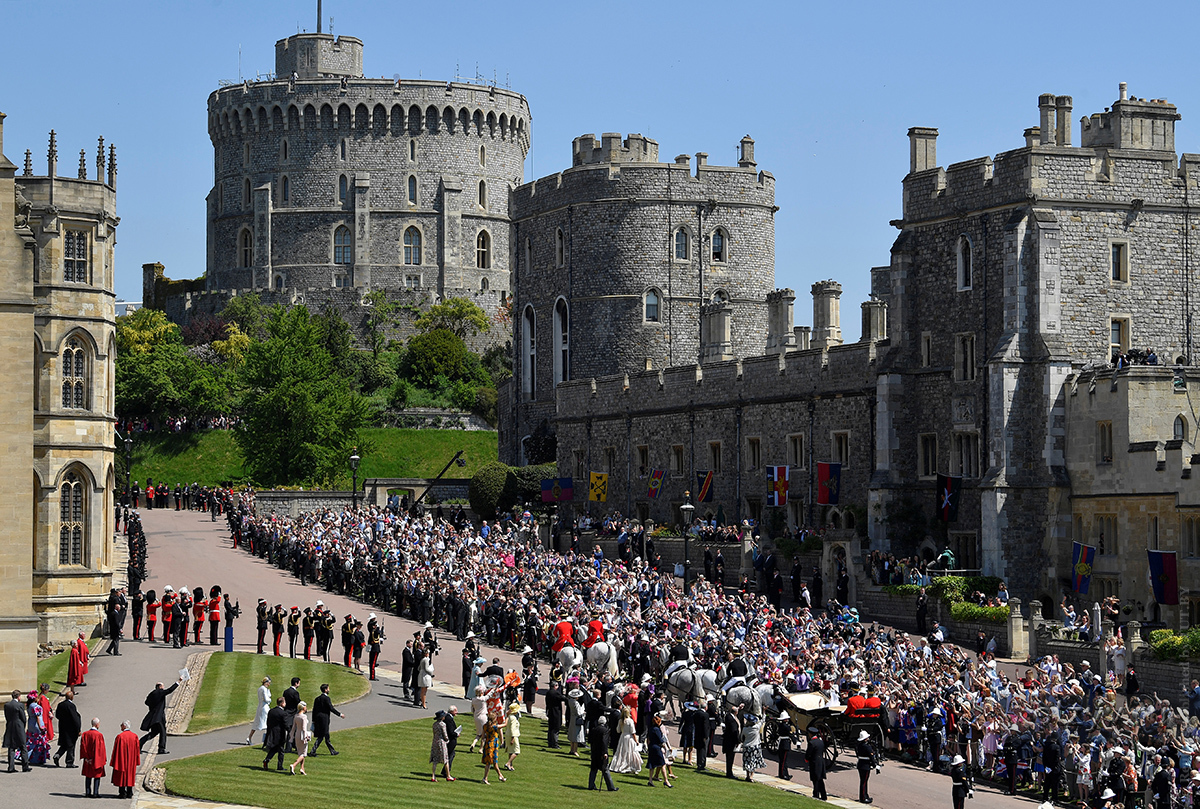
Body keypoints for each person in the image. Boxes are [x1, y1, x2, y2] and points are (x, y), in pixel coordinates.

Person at [138, 677, 181, 755]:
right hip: (159, 717)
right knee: (163, 732)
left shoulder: (151, 694)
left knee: (153, 733)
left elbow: (146, 702)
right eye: (162, 686)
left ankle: (139, 744)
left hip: (153, 717)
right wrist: (178, 681)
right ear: (160, 687)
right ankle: (161, 749)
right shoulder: (160, 692)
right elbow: (170, 690)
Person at [309, 683, 343, 756]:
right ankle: (313, 751)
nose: (329, 690)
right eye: (328, 688)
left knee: (325, 735)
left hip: (318, 718)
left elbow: (314, 710)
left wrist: (313, 720)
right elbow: (331, 708)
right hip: (324, 719)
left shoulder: (317, 699)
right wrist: (339, 714)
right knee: (323, 735)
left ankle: (331, 750)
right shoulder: (326, 699)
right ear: (325, 690)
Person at [110, 720, 141, 799]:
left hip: (122, 759)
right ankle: (130, 792)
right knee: (130, 775)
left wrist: (114, 761)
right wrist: (137, 760)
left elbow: (116, 750)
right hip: (131, 760)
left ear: (124, 726)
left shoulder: (120, 736)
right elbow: (137, 750)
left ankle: (122, 792)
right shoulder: (134, 736)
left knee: (122, 775)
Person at [588, 715, 618, 791]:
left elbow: (591, 741)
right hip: (601, 753)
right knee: (605, 770)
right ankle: (611, 787)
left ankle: (591, 785)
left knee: (593, 770)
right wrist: (605, 752)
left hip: (594, 752)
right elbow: (604, 742)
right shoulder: (605, 730)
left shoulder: (594, 729)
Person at [54, 688, 82, 767]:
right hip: (71, 729)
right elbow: (75, 719)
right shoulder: (71, 706)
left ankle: (57, 755)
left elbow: (57, 715)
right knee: (71, 745)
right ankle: (69, 762)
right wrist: (78, 730)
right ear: (71, 697)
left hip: (63, 728)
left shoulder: (60, 705)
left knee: (65, 745)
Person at [611, 704, 641, 774]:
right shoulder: (630, 721)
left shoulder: (620, 721)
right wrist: (636, 741)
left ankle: (620, 765)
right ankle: (630, 765)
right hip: (629, 737)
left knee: (621, 752)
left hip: (622, 737)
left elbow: (618, 730)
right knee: (630, 752)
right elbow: (633, 732)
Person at [80, 718, 106, 797]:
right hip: (96, 759)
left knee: (88, 775)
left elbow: (83, 747)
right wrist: (102, 759)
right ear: (97, 724)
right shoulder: (99, 735)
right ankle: (95, 792)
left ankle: (88, 792)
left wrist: (86, 757)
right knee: (97, 776)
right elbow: (100, 749)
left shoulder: (85, 734)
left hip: (88, 759)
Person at [4, 689, 29, 773]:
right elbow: (23, 717)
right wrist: (23, 726)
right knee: (23, 746)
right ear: (18, 696)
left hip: (10, 726)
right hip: (19, 726)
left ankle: (11, 767)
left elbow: (6, 716)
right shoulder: (20, 705)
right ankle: (25, 766)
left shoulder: (7, 705)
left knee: (11, 747)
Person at [262, 697, 288, 771]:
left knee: (274, 749)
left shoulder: (271, 711)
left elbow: (268, 722)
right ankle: (280, 766)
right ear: (282, 703)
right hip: (280, 734)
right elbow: (285, 724)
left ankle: (267, 760)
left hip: (272, 732)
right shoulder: (283, 713)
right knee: (281, 751)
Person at [646, 714, 672, 787]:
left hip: (651, 746)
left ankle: (650, 780)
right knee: (662, 764)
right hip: (657, 747)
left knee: (652, 764)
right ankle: (666, 781)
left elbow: (648, 738)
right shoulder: (657, 730)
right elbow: (660, 740)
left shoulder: (651, 728)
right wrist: (665, 746)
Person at [25, 691, 50, 765]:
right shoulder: (36, 706)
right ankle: (37, 758)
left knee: (31, 741)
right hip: (36, 725)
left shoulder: (29, 706)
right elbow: (38, 717)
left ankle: (28, 756)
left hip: (30, 724)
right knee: (39, 742)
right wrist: (41, 727)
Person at [248, 677, 271, 746]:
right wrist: (270, 698)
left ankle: (249, 737)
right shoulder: (264, 689)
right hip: (264, 708)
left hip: (260, 707)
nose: (269, 684)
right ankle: (266, 740)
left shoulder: (260, 688)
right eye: (269, 682)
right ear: (266, 682)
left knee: (256, 723)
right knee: (268, 723)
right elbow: (267, 699)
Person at [741, 712, 764, 782]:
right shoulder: (756, 728)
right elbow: (763, 720)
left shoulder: (745, 729)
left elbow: (742, 738)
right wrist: (764, 712)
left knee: (747, 762)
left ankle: (747, 775)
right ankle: (751, 776)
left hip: (746, 746)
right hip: (755, 747)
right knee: (753, 761)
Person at [288, 702, 310, 775]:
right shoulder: (303, 717)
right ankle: (294, 765)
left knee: (300, 753)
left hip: (297, 735)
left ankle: (302, 768)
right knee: (303, 753)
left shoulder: (296, 716)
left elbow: (293, 728)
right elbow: (304, 728)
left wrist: (291, 737)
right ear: (303, 708)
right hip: (302, 735)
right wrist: (306, 736)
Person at [806, 728, 828, 801]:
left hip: (814, 762)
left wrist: (806, 759)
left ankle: (816, 794)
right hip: (821, 761)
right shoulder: (820, 742)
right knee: (820, 779)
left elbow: (809, 753)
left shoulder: (812, 743)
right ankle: (823, 795)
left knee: (815, 779)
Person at [431, 710, 452, 782]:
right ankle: (448, 775)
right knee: (445, 759)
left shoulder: (434, 724)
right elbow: (445, 734)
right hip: (441, 742)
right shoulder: (442, 724)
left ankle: (433, 776)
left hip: (435, 741)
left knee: (435, 760)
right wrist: (447, 740)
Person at [282, 677, 302, 751]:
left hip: (286, 712)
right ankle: (289, 747)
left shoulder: (286, 691)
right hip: (293, 713)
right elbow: (298, 702)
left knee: (291, 730)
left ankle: (293, 745)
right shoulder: (295, 693)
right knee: (293, 730)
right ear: (296, 683)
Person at [855, 729, 875, 804]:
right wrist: (874, 764)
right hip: (865, 765)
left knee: (863, 782)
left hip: (860, 764)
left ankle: (865, 795)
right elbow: (871, 756)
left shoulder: (859, 746)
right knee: (864, 782)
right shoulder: (867, 747)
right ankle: (863, 798)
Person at [442, 706, 461, 776]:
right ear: (451, 711)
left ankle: (445, 771)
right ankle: (446, 772)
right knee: (450, 756)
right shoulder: (449, 719)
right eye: (455, 711)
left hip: (450, 740)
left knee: (451, 755)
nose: (457, 712)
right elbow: (450, 731)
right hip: (450, 740)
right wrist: (456, 734)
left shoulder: (449, 718)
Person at [723, 705, 741, 779]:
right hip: (730, 741)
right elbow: (734, 731)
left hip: (728, 740)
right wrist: (737, 741)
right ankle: (729, 773)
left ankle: (729, 772)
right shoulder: (731, 719)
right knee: (730, 758)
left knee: (729, 758)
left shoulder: (728, 716)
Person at [503, 702, 521, 771]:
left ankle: (510, 765)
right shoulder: (513, 718)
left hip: (508, 734)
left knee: (511, 750)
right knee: (516, 751)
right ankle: (508, 763)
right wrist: (513, 738)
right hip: (512, 735)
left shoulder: (509, 717)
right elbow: (513, 728)